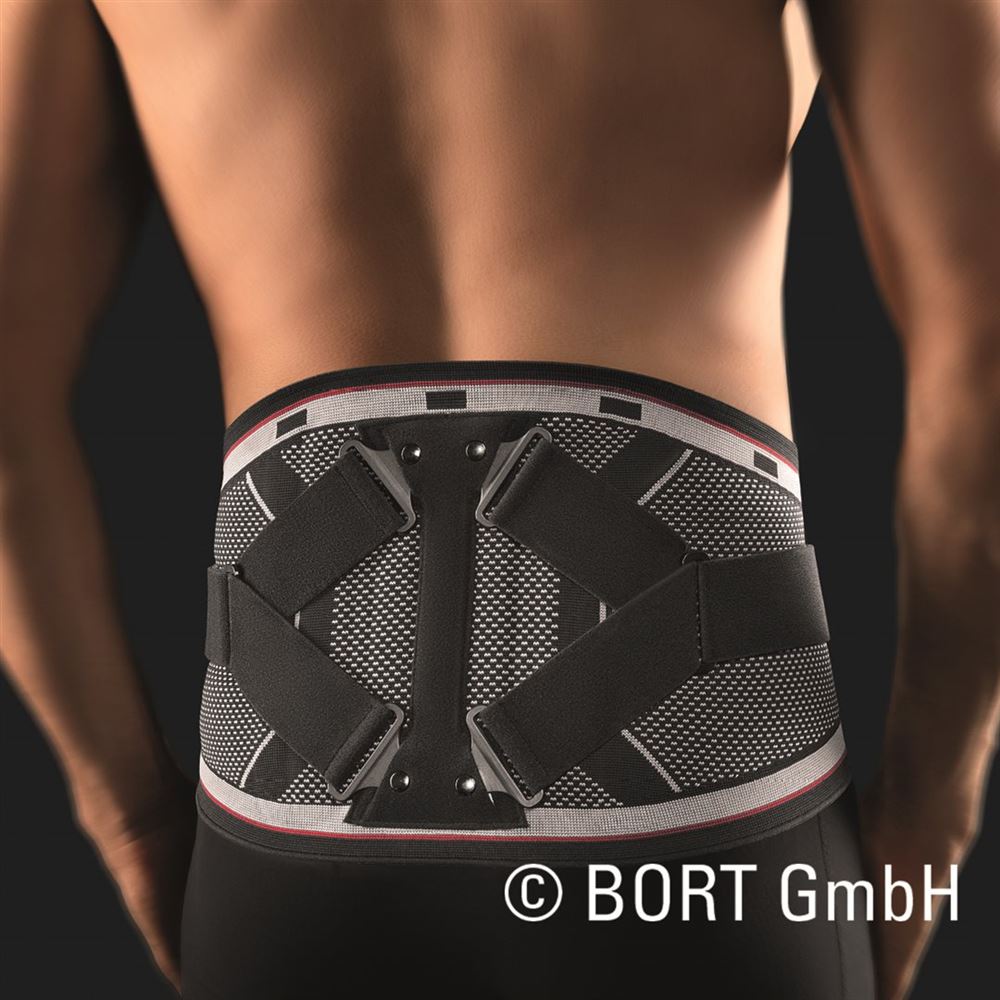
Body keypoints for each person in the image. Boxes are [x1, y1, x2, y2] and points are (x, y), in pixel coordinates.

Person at [1, 1, 996, 998]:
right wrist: (928, 814)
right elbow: (983, 362)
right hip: (707, 827)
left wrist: (132, 815)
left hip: (290, 833)